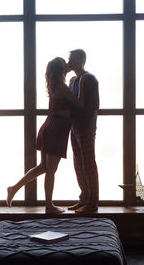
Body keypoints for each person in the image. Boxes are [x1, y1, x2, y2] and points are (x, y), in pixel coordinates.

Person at [7, 57, 86, 213]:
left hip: (49, 128)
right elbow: (80, 104)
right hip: (55, 131)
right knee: (50, 170)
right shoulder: (62, 87)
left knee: (43, 167)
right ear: (61, 70)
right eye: (65, 66)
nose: (68, 66)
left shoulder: (54, 84)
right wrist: (81, 82)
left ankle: (14, 188)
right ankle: (49, 206)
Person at [66, 49, 100, 213]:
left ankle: (92, 203)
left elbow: (92, 106)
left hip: (86, 126)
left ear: (80, 60)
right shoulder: (73, 80)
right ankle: (83, 198)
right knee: (78, 163)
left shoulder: (89, 79)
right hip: (74, 126)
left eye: (71, 59)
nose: (68, 62)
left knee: (88, 163)